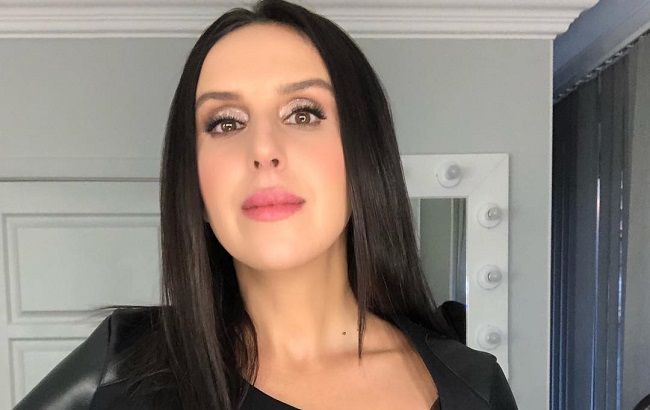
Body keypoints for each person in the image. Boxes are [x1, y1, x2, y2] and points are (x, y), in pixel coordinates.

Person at [13, 0, 518, 409]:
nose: (262, 150)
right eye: (225, 123)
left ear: (365, 156)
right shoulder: (120, 371)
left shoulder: (473, 386)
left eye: (303, 114)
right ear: (195, 185)